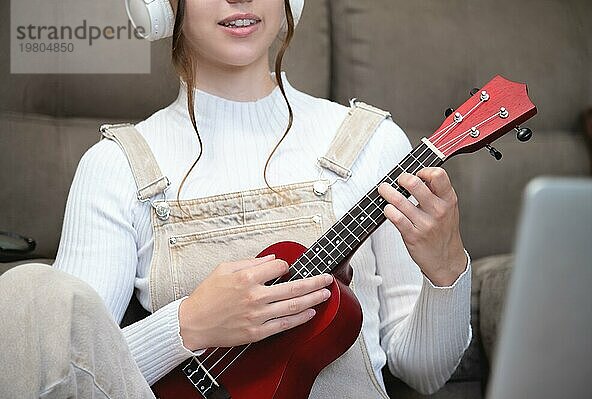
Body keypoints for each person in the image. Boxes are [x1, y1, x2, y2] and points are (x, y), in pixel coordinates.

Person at [0, 0, 472, 398]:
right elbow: (63, 374)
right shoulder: (117, 166)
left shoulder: (373, 141)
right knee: (27, 292)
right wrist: (187, 326)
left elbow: (423, 372)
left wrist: (447, 267)